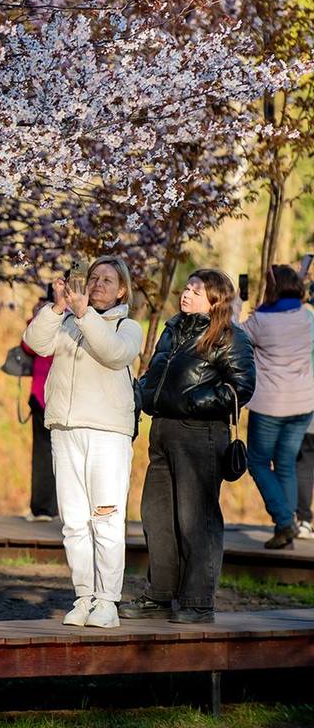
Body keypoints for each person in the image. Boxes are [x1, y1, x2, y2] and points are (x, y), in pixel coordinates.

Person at [119, 269, 255, 625]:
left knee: (197, 520)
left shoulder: (229, 335)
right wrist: (145, 392)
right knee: (157, 516)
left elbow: (242, 385)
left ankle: (198, 600)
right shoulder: (173, 329)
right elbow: (156, 372)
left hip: (201, 434)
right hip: (162, 431)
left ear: (215, 299)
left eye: (196, 290)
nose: (187, 294)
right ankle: (160, 595)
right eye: (186, 287)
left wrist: (198, 401)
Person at [23, 256, 142, 628]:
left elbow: (114, 352)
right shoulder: (68, 323)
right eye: (93, 278)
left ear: (122, 289)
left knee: (105, 518)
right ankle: (83, 596)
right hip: (65, 429)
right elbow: (34, 343)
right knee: (73, 521)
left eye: (108, 279)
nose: (98, 284)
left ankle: (107, 600)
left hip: (107, 433)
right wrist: (57, 307)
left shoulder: (128, 326)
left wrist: (85, 314)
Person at [241, 265, 314, 549]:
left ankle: (285, 522)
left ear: (272, 288)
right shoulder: (307, 318)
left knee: (258, 462)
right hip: (303, 405)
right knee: (285, 464)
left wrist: (241, 306)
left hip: (271, 405)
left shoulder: (261, 321)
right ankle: (286, 527)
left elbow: (237, 335)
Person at [21, 294, 57, 520]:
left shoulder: (72, 319)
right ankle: (43, 507)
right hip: (41, 395)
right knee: (45, 453)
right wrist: (37, 319)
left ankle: (48, 507)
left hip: (59, 395)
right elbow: (28, 346)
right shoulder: (47, 319)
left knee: (54, 454)